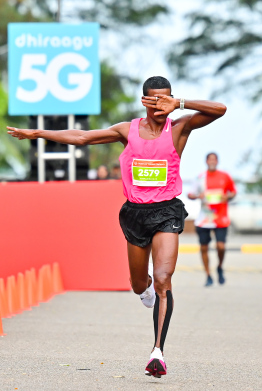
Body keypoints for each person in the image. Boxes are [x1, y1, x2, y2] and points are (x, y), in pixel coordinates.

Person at [7, 76, 227, 378]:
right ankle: (145, 289)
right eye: (155, 100)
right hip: (135, 214)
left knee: (164, 279)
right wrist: (38, 132)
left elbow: (220, 109)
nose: (161, 105)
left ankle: (157, 353)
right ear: (144, 101)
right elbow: (83, 137)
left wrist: (182, 104)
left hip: (167, 211)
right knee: (140, 284)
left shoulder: (179, 127)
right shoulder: (128, 130)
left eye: (166, 99)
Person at [188, 153, 237, 287]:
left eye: (214, 159)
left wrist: (227, 197)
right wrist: (199, 195)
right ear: (206, 161)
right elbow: (190, 194)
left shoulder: (225, 176)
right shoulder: (200, 178)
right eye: (210, 159)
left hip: (220, 218)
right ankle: (208, 275)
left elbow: (233, 192)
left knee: (220, 246)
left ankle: (220, 267)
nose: (212, 161)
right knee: (204, 248)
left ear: (217, 161)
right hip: (204, 219)